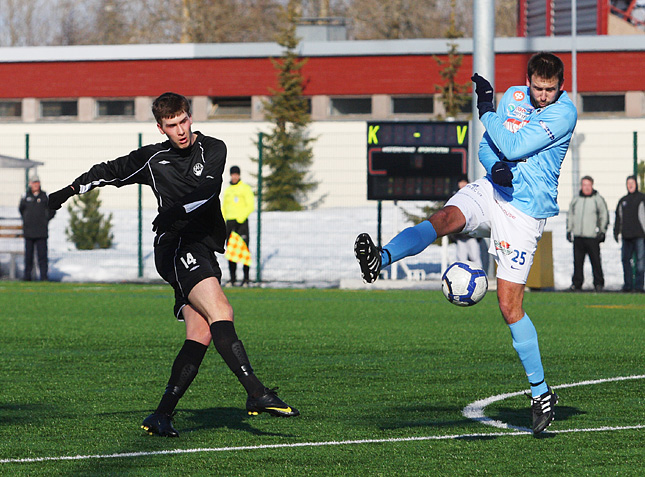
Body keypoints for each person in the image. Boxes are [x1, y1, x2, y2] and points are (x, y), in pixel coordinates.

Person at [47, 92, 298, 437]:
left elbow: (209, 189)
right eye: (171, 125)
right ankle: (256, 392)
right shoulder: (153, 159)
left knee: (201, 332)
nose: (179, 130)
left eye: (183, 121)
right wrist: (64, 193)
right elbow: (108, 171)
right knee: (222, 311)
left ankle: (161, 415)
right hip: (176, 246)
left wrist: (176, 210)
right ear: (160, 127)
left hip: (202, 247)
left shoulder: (213, 148)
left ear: (190, 118)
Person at [355, 52, 577, 435]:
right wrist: (494, 167)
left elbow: (515, 144)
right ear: (528, 81)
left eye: (550, 90)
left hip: (525, 211)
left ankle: (541, 392)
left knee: (509, 307)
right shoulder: (514, 98)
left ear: (561, 86)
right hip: (495, 189)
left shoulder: (565, 113)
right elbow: (489, 146)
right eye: (538, 88)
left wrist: (485, 110)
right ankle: (382, 257)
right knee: (443, 219)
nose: (543, 96)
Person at [566, 176, 609, 292]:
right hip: (579, 236)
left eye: (588, 185)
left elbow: (603, 215)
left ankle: (599, 283)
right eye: (584, 185)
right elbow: (570, 215)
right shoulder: (576, 200)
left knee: (595, 261)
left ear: (592, 186)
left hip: (592, 237)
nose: (586, 187)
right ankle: (577, 283)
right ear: (581, 186)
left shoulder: (597, 199)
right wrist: (569, 230)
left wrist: (602, 231)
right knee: (578, 262)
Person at [222, 165, 255, 287]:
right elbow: (224, 207)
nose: (234, 176)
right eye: (233, 174)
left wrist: (240, 218)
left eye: (236, 174)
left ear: (239, 175)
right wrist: (223, 220)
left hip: (241, 223)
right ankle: (232, 279)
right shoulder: (228, 190)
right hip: (229, 223)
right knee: (231, 252)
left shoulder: (245, 189)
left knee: (244, 250)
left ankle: (246, 279)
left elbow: (250, 205)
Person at [19, 176, 56, 281]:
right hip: (29, 232)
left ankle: (44, 277)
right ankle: (27, 277)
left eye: (37, 182)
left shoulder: (45, 196)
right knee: (28, 257)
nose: (35, 185)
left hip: (41, 232)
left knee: (42, 256)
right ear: (30, 183)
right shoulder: (26, 196)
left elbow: (52, 210)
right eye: (34, 182)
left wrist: (45, 219)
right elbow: (21, 210)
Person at [613, 175, 645, 293]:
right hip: (626, 236)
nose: (630, 185)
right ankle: (627, 285)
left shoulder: (642, 198)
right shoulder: (623, 201)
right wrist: (616, 232)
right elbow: (618, 218)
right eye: (628, 183)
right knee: (625, 260)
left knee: (641, 262)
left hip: (640, 236)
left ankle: (639, 286)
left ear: (636, 184)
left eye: (632, 183)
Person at [451, 176, 483, 269]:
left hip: (472, 233)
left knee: (475, 257)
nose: (463, 184)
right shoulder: (454, 197)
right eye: (461, 182)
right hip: (460, 234)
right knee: (461, 259)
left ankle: (479, 274)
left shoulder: (473, 196)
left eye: (464, 182)